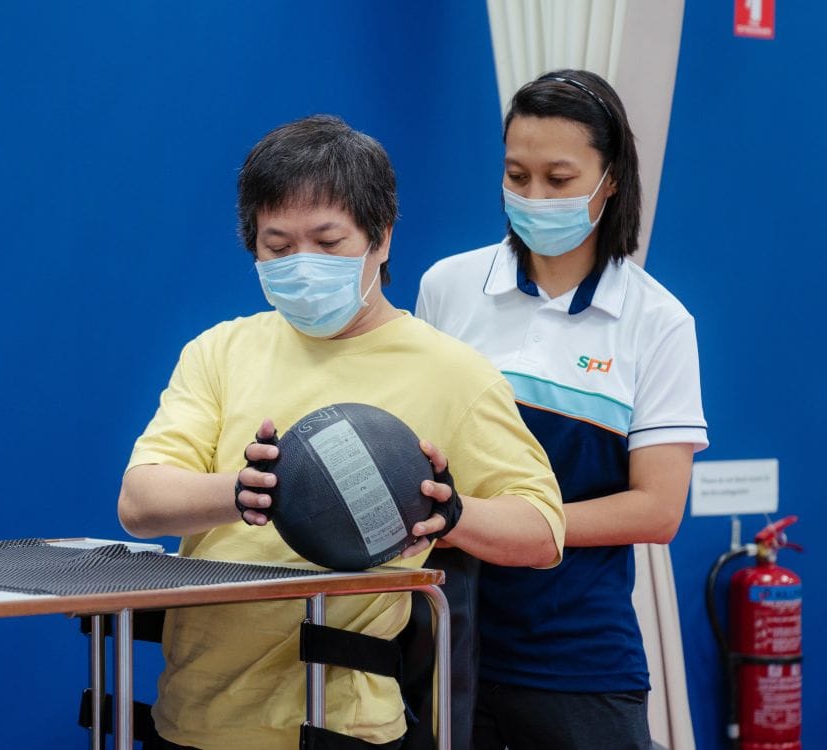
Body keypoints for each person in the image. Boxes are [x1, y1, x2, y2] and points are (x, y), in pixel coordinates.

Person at [118, 114, 564, 750]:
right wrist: (245, 491)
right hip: (195, 720)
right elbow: (140, 503)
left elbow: (543, 532)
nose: (302, 265)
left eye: (327, 243)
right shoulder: (219, 352)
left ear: (380, 238)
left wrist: (453, 516)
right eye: (277, 247)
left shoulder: (452, 372)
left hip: (343, 726)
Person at [416, 70, 708, 750]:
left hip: (579, 657)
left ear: (611, 181)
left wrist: (497, 526)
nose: (533, 196)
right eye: (517, 176)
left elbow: (657, 510)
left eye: (558, 178)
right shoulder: (448, 288)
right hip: (448, 635)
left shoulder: (657, 320)